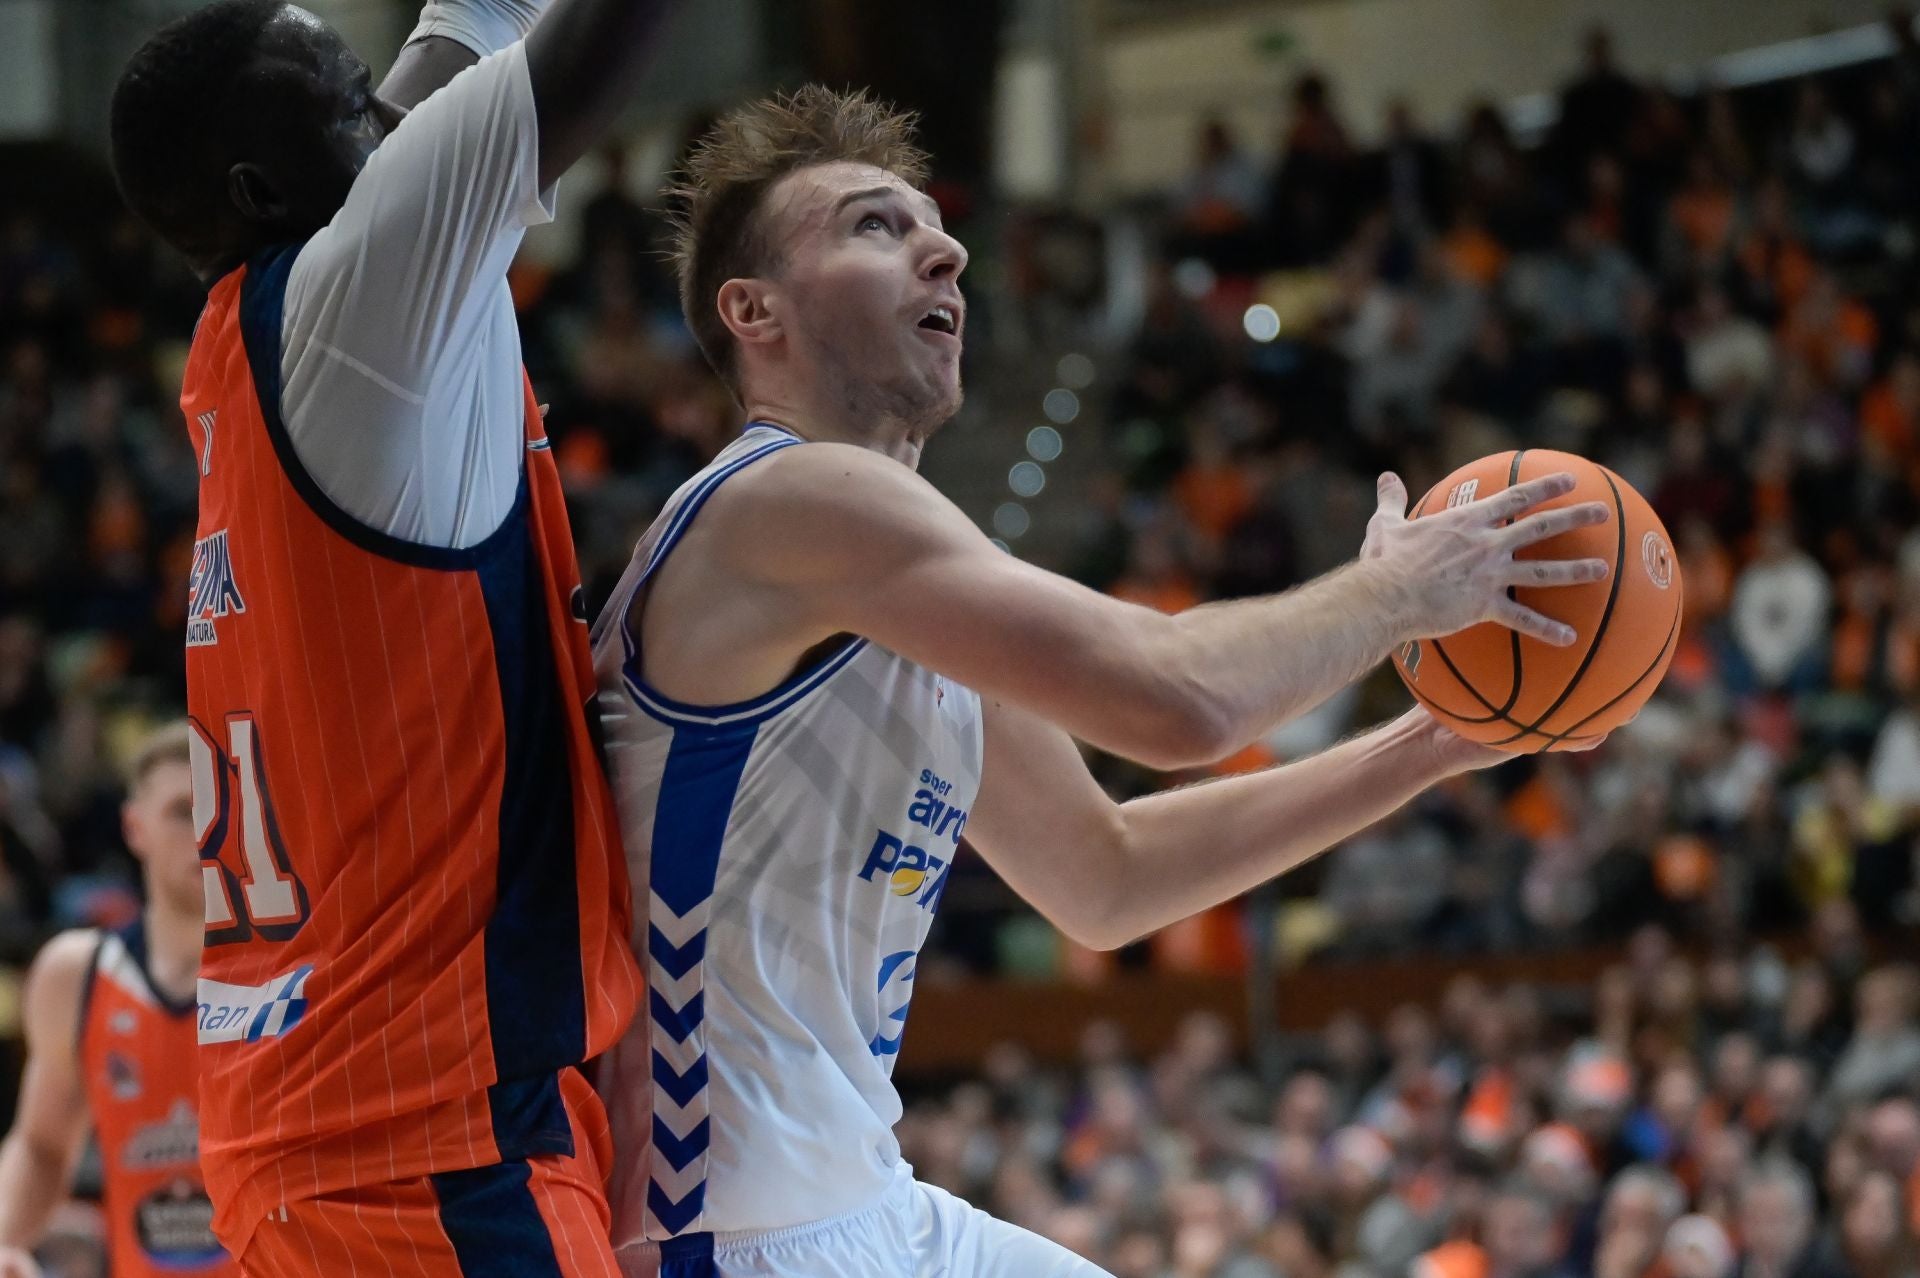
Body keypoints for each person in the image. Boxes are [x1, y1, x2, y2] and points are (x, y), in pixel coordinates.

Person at [589, 87, 1611, 1277]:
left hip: (863, 1202)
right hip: (730, 1233)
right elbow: (1174, 701)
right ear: (752, 311)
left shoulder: (899, 566)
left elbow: (1104, 874)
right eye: (873, 227)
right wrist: (1395, 596)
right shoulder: (790, 500)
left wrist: (1432, 743)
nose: (947, 251)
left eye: (936, 228)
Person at [106, 0, 680, 1268]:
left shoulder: (267, 339)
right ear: (264, 187)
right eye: (342, 101)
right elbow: (574, 60)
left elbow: (458, 37)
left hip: (352, 1133)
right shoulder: (354, 309)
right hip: (419, 1157)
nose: (382, 118)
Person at [0, 723, 233, 1278]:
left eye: (221, 809)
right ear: (134, 828)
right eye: (182, 810)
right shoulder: (77, 974)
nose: (206, 830)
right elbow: (43, 1147)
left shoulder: (295, 972)